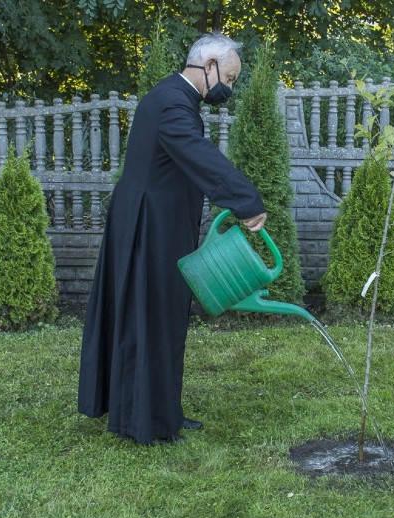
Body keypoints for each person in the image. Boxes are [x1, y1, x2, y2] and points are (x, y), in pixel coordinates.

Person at [78, 32, 267, 444]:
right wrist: (246, 201)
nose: (228, 88)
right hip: (149, 227)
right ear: (208, 64)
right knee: (149, 317)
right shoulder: (171, 102)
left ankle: (164, 412)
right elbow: (200, 156)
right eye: (229, 78)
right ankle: (146, 422)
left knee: (164, 316)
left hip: (157, 223)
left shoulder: (175, 98)